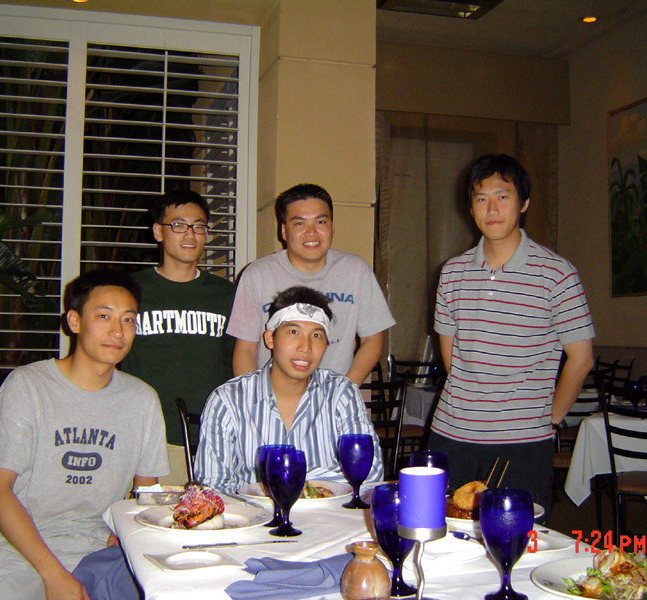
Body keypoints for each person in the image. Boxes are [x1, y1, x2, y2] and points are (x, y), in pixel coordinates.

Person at [0, 269, 170, 600]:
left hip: (100, 549)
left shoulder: (143, 399)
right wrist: (53, 574)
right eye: (104, 316)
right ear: (74, 321)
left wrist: (129, 530)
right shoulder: (28, 386)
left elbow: (146, 495)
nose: (118, 331)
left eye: (128, 320)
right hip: (15, 549)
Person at [430, 154, 595, 519]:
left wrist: (550, 419)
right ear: (470, 207)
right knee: (441, 532)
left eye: (503, 197)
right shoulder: (452, 272)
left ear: (524, 203)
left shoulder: (557, 274)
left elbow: (581, 359)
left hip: (522, 441)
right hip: (452, 433)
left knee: (515, 537)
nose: (492, 209)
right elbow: (451, 357)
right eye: (481, 198)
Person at [195, 285, 384, 493]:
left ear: (327, 345)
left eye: (317, 336)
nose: (305, 347)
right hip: (253, 512)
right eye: (294, 332)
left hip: (326, 512)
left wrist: (288, 480)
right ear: (270, 339)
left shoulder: (342, 393)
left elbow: (370, 473)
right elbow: (212, 487)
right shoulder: (228, 400)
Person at [119, 190, 235, 486]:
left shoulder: (227, 295)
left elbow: (237, 364)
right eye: (179, 225)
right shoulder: (128, 290)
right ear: (158, 231)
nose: (190, 234)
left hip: (213, 440)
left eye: (199, 226)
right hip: (146, 439)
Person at [227, 183, 395, 385]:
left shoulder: (355, 270)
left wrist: (344, 391)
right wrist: (254, 397)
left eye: (320, 222)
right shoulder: (257, 275)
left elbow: (373, 340)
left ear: (332, 228)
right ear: (283, 231)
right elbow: (245, 349)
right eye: (299, 223)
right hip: (274, 394)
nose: (311, 232)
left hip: (334, 394)